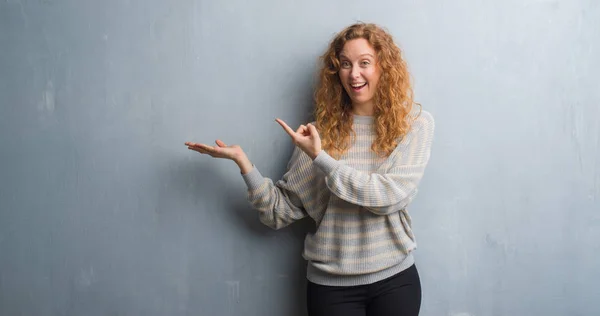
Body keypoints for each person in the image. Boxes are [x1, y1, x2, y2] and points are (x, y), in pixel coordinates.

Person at [185, 22, 434, 316]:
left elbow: (389, 196)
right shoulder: (318, 136)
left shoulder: (414, 125)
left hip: (395, 281)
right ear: (335, 72)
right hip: (332, 289)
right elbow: (280, 212)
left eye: (364, 63)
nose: (354, 74)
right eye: (345, 64)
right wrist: (244, 165)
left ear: (384, 66)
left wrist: (323, 159)